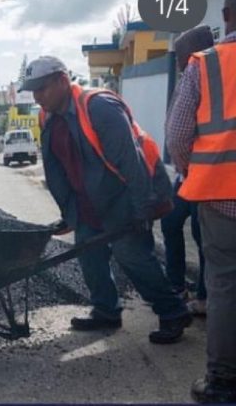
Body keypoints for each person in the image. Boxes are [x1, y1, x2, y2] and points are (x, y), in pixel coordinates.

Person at [20, 56, 191, 345]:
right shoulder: (47, 117)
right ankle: (106, 310)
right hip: (89, 203)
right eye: (33, 91)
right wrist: (70, 212)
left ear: (63, 81)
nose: (37, 97)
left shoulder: (98, 107)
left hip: (124, 197)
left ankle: (173, 312)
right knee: (89, 254)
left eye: (42, 89)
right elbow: (58, 169)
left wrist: (141, 209)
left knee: (132, 256)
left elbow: (131, 162)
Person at [167, 0, 236, 404]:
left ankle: (224, 382)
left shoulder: (206, 64)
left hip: (222, 200)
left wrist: (196, 173)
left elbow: (177, 136)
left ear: (227, 16)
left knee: (225, 283)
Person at [162, 26, 215, 317]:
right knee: (170, 222)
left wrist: (185, 165)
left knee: (202, 233)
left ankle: (205, 297)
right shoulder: (191, 75)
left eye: (181, 55)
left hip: (204, 175)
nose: (179, 62)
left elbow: (179, 135)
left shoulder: (205, 74)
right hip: (188, 174)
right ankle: (176, 285)